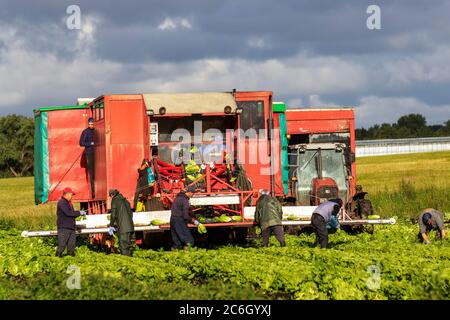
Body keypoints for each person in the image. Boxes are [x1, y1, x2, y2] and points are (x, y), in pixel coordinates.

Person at [56, 187, 86, 257]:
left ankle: (71, 257)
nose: (72, 196)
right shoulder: (62, 202)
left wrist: (78, 214)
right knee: (62, 245)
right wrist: (79, 213)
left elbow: (71, 214)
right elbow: (68, 213)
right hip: (64, 227)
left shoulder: (69, 203)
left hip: (71, 227)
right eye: (71, 195)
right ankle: (57, 257)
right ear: (67, 194)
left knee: (71, 245)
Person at [170, 185, 199, 250]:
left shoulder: (178, 197)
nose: (193, 195)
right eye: (193, 193)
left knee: (177, 243)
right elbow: (185, 216)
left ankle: (175, 254)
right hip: (179, 220)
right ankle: (187, 254)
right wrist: (193, 220)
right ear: (189, 192)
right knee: (189, 241)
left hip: (172, 219)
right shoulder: (185, 200)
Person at [108, 189, 135, 256]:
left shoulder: (114, 200)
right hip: (130, 227)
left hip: (123, 228)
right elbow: (131, 214)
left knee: (124, 247)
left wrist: (111, 225)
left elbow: (113, 215)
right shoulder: (125, 200)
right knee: (128, 247)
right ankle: (130, 260)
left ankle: (127, 263)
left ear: (112, 195)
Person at [79, 117, 96, 198]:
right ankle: (93, 192)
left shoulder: (97, 131)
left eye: (92, 124)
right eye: (89, 124)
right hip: (89, 153)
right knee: (92, 173)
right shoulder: (85, 132)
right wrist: (90, 143)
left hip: (97, 153)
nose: (91, 126)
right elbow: (81, 143)